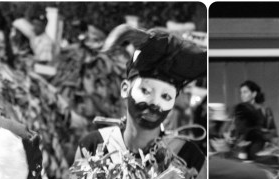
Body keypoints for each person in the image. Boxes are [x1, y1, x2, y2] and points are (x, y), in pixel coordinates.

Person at [75, 25, 207, 171]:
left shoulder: (188, 157)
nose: (154, 103)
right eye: (145, 90)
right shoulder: (93, 146)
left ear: (174, 100)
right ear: (125, 89)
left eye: (166, 96)